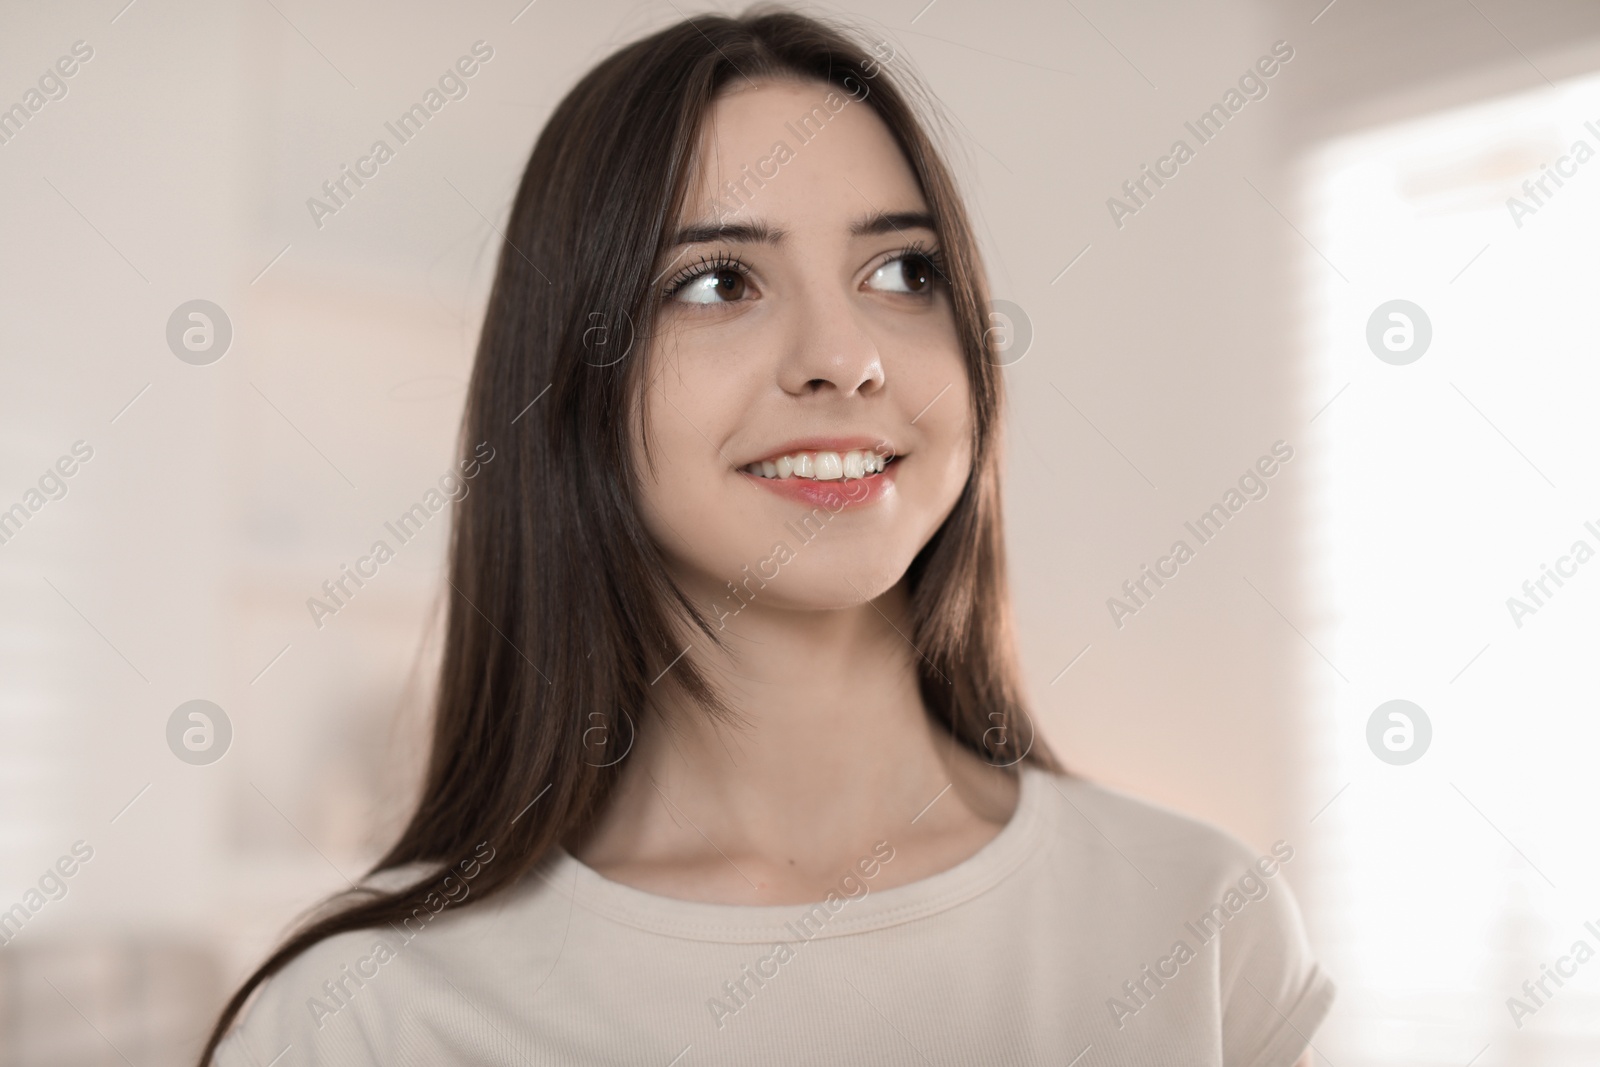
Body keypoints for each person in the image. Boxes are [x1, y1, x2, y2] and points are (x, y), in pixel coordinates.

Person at [203, 10, 1333, 1065]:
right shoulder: (364, 1016)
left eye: (902, 270)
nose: (843, 355)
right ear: (568, 375)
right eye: (718, 281)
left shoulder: (1200, 924)